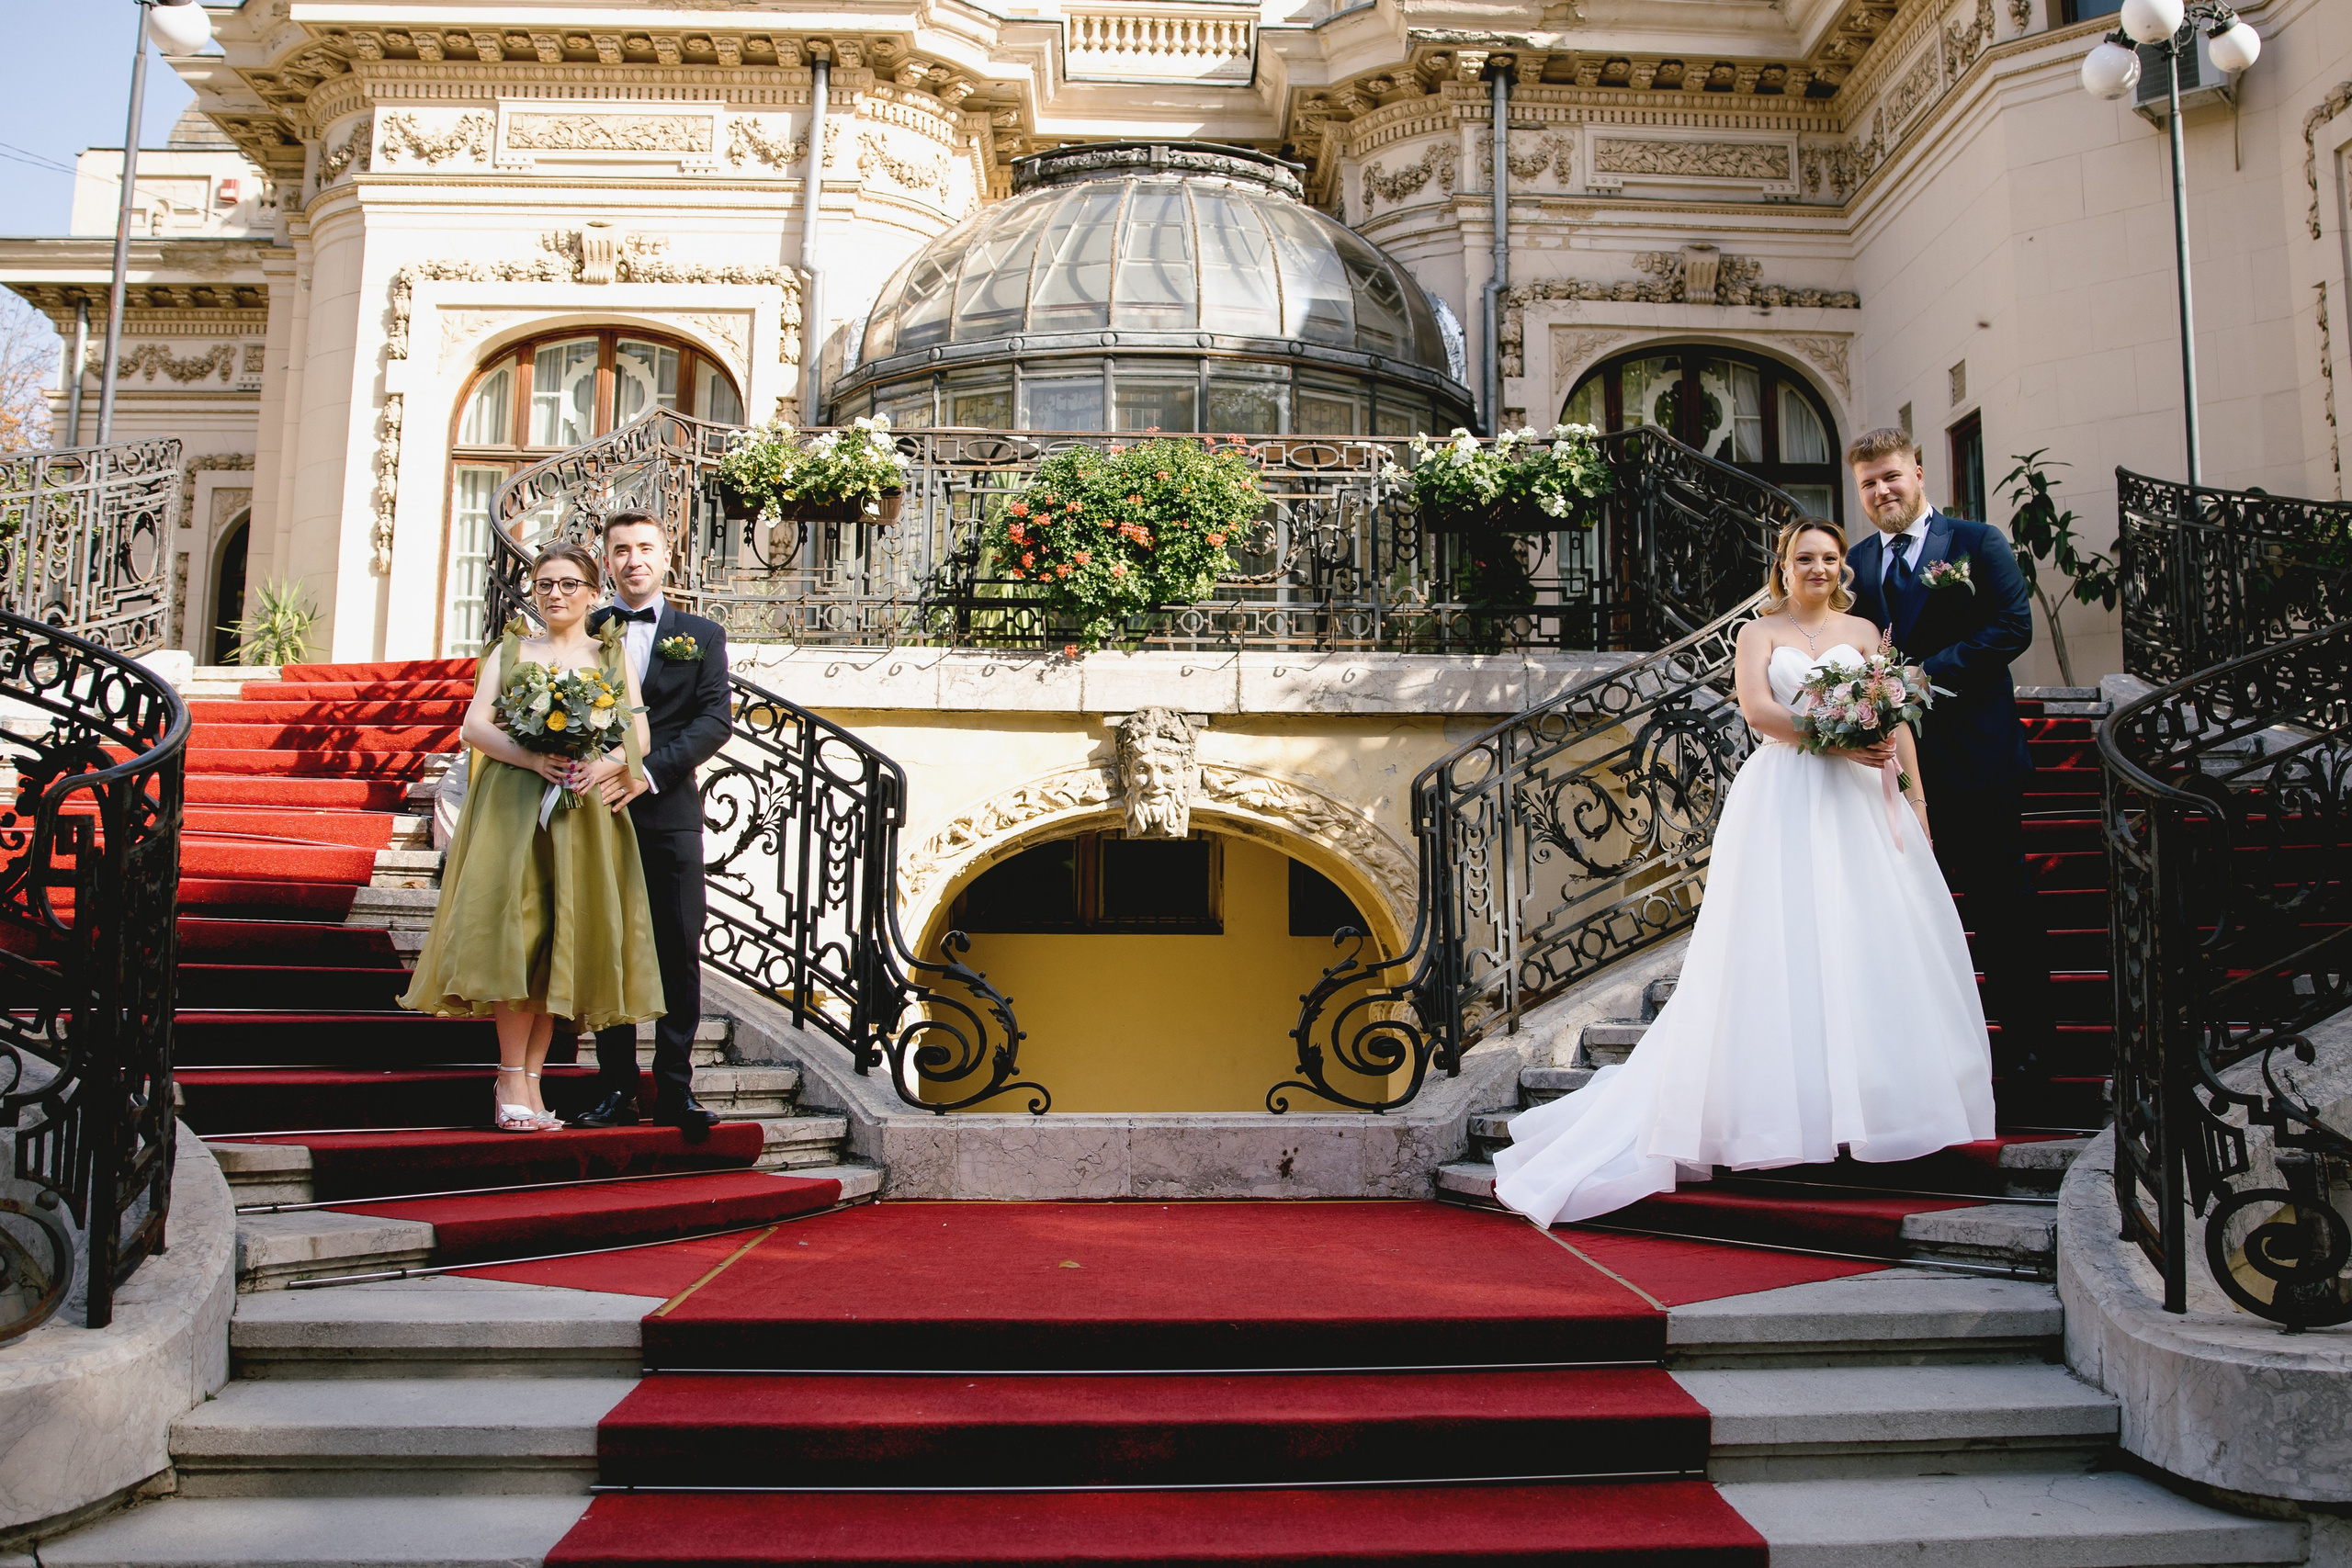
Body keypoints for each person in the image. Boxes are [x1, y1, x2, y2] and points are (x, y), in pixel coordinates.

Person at [1492, 518, 1995, 1228]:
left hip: (1862, 803)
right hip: (1787, 794)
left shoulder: (1866, 632)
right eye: (1804, 558)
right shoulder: (1757, 633)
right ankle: (1781, 1117)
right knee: (1779, 949)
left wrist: (1915, 795)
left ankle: (1875, 1110)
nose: (1817, 567)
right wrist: (1840, 740)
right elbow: (1760, 712)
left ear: (1842, 567)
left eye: (1829, 557)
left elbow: (1897, 715)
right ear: (1783, 566)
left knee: (1870, 944)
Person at [400, 540, 663, 1132]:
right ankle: (508, 1079)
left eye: (570, 584)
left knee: (556, 942)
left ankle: (534, 1086)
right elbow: (474, 725)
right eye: (545, 584)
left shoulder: (609, 655)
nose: (556, 594)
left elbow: (637, 735)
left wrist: (605, 766)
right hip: (516, 808)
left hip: (583, 811)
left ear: (594, 594)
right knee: (516, 936)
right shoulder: (512, 649)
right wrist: (531, 760)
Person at [1843, 427, 2058, 1109]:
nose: (1882, 491)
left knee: (2002, 910)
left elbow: (2011, 627)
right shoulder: (1855, 563)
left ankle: (2029, 1056)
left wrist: (1921, 677)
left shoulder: (1978, 542)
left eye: (1891, 477)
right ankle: (1926, 1070)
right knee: (1905, 922)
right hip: (1889, 775)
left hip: (1977, 759)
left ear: (1919, 473)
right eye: (1869, 484)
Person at [568, 511, 732, 1137]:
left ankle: (674, 1088)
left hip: (668, 811)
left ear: (667, 557)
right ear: (605, 561)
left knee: (677, 947)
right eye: (619, 550)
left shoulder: (702, 633)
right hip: (597, 811)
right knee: (610, 946)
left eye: (644, 548)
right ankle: (615, 1087)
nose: (633, 559)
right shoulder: (584, 630)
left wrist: (648, 771)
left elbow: (714, 720)